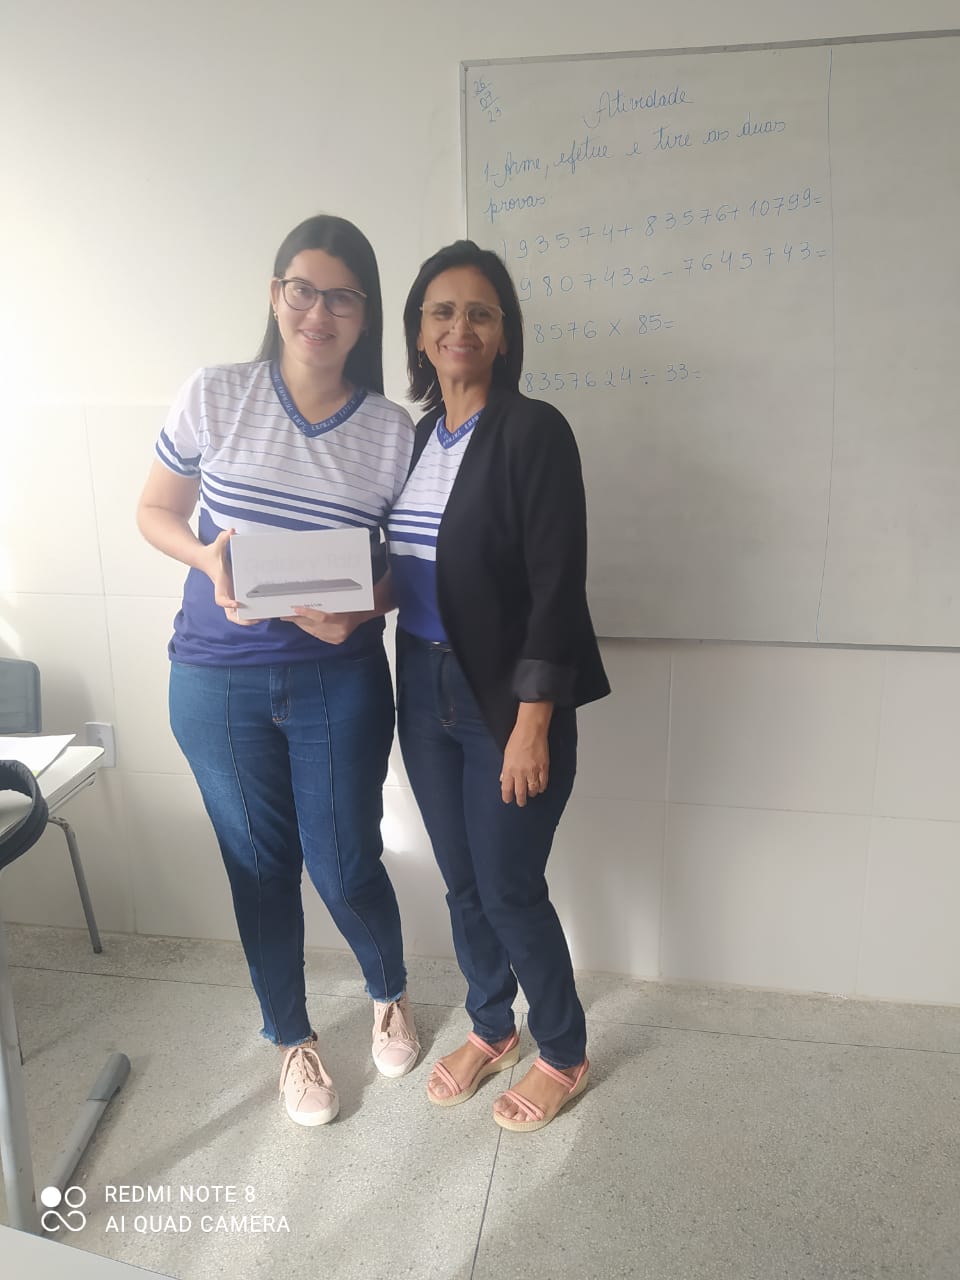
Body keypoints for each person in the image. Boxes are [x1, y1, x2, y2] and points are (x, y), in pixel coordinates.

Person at [136, 214, 420, 1127]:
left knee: (344, 861)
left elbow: (412, 567)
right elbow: (154, 510)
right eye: (303, 290)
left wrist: (364, 610)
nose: (318, 313)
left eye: (342, 297)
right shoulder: (216, 394)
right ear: (275, 295)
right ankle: (292, 1040)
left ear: (365, 315)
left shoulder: (391, 431)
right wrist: (206, 557)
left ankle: (388, 992)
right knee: (258, 868)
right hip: (215, 678)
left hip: (339, 681)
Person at [387, 240, 610, 1133]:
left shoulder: (533, 431)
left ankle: (563, 1049)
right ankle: (491, 1026)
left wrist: (532, 723)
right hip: (421, 686)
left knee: (510, 885)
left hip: (505, 700)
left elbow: (559, 588)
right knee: (461, 881)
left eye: (480, 312)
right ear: (419, 333)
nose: (461, 326)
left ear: (506, 333)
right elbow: (412, 566)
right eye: (442, 311)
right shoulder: (414, 439)